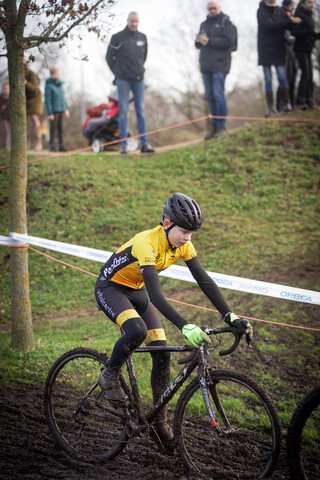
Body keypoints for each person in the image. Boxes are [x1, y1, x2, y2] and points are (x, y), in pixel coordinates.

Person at [95, 192, 253, 451]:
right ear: (166, 224)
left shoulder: (182, 245)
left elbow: (204, 281)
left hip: (136, 290)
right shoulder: (147, 243)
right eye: (184, 231)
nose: (188, 238)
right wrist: (184, 325)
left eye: (192, 233)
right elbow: (156, 295)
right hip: (111, 288)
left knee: (161, 352)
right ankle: (109, 376)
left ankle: (159, 420)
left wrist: (231, 316)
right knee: (136, 331)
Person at [106, 11, 154, 154]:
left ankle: (144, 145)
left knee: (141, 110)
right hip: (123, 80)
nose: (134, 24)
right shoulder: (117, 37)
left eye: (136, 22)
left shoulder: (142, 37)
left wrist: (139, 69)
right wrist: (117, 73)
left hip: (139, 79)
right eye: (132, 21)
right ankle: (123, 146)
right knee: (123, 111)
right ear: (127, 21)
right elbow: (109, 58)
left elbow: (144, 57)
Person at [195, 1, 237, 140]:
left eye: (214, 8)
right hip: (206, 65)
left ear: (219, 8)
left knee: (218, 95)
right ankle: (214, 127)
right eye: (210, 9)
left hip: (220, 65)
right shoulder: (204, 24)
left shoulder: (227, 23)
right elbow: (199, 45)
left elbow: (230, 42)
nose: (212, 10)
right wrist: (198, 40)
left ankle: (222, 126)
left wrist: (210, 41)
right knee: (210, 96)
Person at [257, 0, 301, 117]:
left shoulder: (281, 11)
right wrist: (288, 21)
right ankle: (270, 108)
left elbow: (288, 27)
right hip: (265, 49)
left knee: (282, 76)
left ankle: (287, 104)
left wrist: (294, 21)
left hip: (279, 48)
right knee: (268, 79)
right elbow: (268, 25)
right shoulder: (261, 11)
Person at [292, 0, 320, 109]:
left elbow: (312, 35)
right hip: (300, 48)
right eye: (309, 2)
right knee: (305, 74)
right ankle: (300, 102)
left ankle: (309, 101)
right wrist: (308, 33)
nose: (312, 4)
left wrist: (316, 35)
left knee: (310, 75)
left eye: (313, 2)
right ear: (303, 4)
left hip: (308, 48)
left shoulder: (310, 16)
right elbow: (294, 32)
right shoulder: (299, 16)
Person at [277, 0, 299, 111]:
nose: (292, 8)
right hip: (285, 50)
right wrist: (289, 39)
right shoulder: (284, 14)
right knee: (285, 78)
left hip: (291, 50)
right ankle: (282, 105)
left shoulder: (291, 15)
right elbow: (283, 30)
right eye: (291, 5)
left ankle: (291, 104)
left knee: (291, 77)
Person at [44, 67, 70, 152]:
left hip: (61, 109)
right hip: (54, 111)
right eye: (58, 73)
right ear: (52, 74)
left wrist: (66, 109)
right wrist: (50, 113)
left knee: (60, 128)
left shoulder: (60, 85)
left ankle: (61, 145)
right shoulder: (49, 85)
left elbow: (63, 98)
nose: (59, 75)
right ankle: (51, 146)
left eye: (60, 73)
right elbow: (48, 100)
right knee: (53, 128)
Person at [24, 62, 43, 151]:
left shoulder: (31, 74)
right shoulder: (16, 73)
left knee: (34, 118)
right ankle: (26, 143)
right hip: (24, 98)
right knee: (24, 121)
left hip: (35, 98)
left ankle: (38, 143)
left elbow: (35, 88)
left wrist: (26, 83)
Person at [0, 82, 10, 149]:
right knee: (9, 132)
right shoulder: (1, 99)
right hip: (6, 118)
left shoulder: (13, 97)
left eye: (6, 88)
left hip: (13, 118)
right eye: (4, 88)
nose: (5, 90)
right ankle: (8, 147)